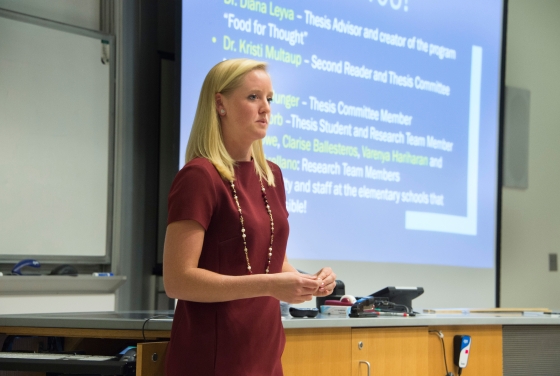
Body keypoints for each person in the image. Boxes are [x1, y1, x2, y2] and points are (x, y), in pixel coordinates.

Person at [163, 58, 337, 375]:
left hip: (265, 349)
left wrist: (308, 282)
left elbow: (271, 262)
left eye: (269, 99)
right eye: (254, 97)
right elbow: (177, 280)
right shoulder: (199, 177)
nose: (266, 109)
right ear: (220, 104)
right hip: (214, 355)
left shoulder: (272, 176)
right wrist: (272, 284)